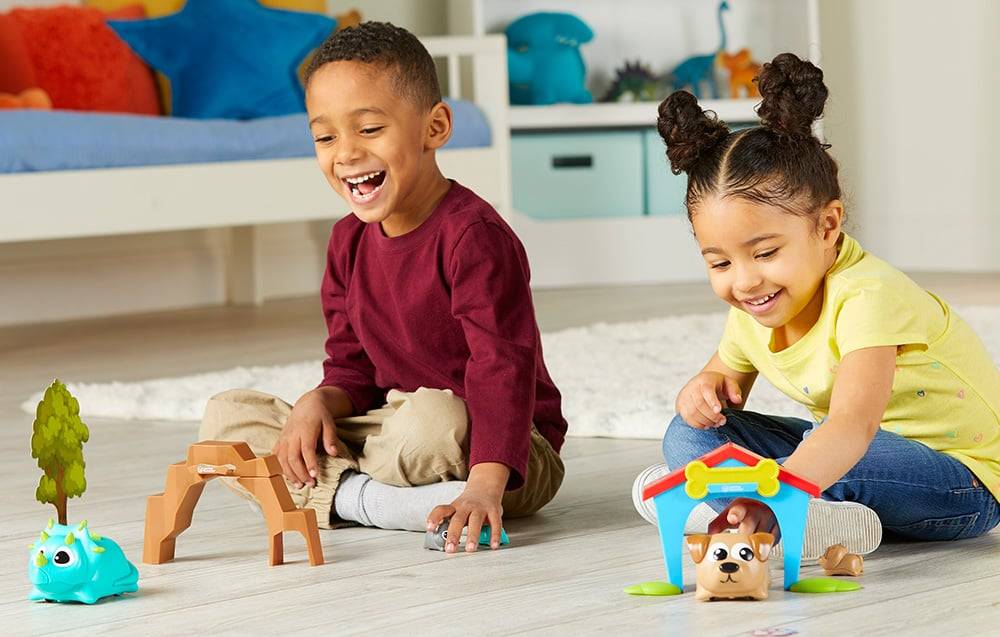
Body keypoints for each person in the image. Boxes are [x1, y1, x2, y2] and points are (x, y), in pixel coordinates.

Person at [200, 22, 567, 553]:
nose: (344, 153)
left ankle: (350, 495)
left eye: (368, 129)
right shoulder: (347, 242)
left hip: (503, 449)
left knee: (433, 421)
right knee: (224, 419)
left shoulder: (474, 237)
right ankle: (368, 500)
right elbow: (353, 368)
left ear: (435, 127)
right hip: (392, 428)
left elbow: (501, 368)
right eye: (325, 137)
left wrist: (488, 485)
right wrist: (316, 402)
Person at [632, 52, 1000, 559]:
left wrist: (780, 486)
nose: (744, 281)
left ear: (827, 227)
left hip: (958, 483)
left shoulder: (869, 297)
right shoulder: (754, 306)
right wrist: (703, 392)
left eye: (764, 253)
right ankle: (801, 515)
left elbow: (853, 427)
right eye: (719, 263)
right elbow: (725, 384)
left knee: (842, 448)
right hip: (845, 453)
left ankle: (762, 506)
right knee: (687, 435)